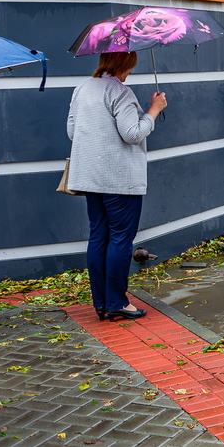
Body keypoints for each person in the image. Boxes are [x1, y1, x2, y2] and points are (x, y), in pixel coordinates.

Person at [67, 52, 166, 322]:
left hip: (90, 177)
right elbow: (132, 134)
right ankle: (117, 302)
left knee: (98, 236)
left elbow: (72, 133)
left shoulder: (81, 88)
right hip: (120, 179)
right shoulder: (120, 91)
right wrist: (153, 110)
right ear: (126, 64)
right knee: (121, 238)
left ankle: (101, 302)